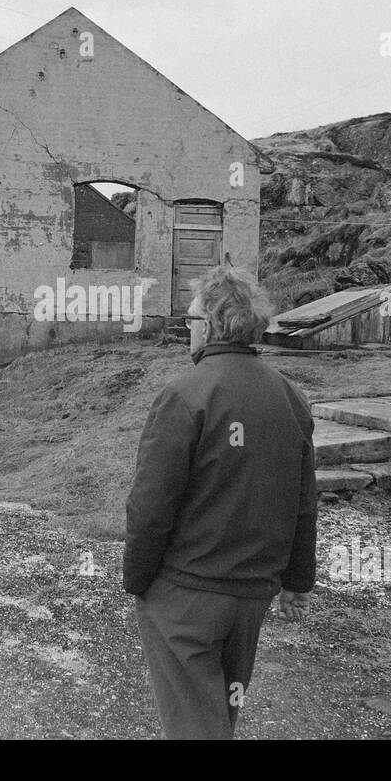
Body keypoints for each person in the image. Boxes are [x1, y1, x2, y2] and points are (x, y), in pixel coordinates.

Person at [124, 264, 317, 739]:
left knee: (195, 725)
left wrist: (137, 582)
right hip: (250, 598)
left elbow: (151, 504)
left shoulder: (185, 393)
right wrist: (297, 580)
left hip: (186, 593)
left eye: (190, 320)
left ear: (210, 325)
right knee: (217, 718)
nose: (186, 329)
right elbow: (304, 500)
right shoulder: (290, 397)